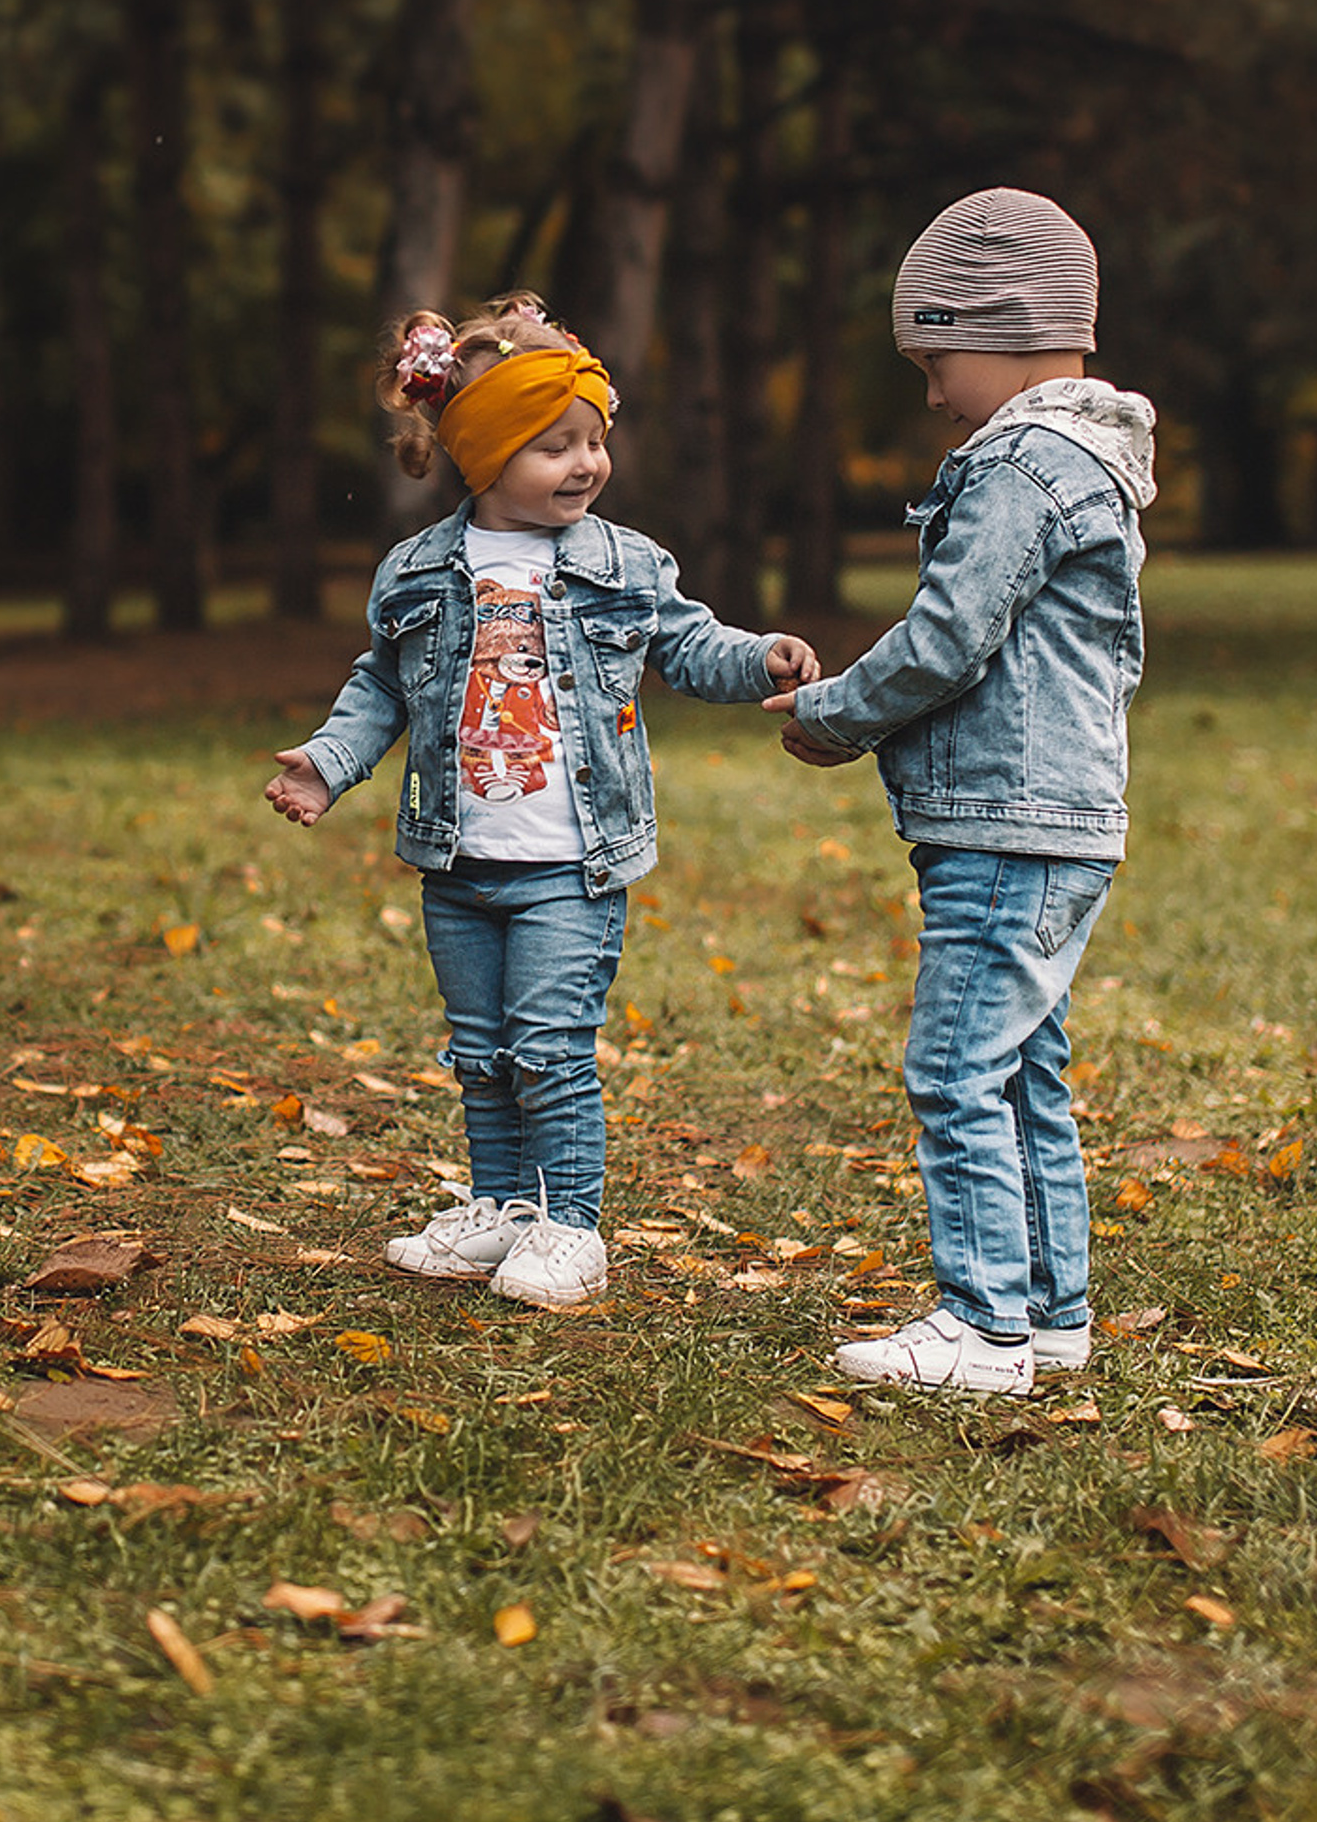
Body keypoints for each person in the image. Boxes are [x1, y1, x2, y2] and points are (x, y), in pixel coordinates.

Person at [265, 299, 819, 1309]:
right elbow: (380, 686)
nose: (585, 463)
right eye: (554, 444)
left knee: (549, 1045)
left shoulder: (622, 563)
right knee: (480, 1051)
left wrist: (758, 659)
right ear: (483, 453)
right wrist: (328, 763)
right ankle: (501, 1209)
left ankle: (570, 1227)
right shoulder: (421, 570)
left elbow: (687, 645)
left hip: (571, 862)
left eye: (596, 441)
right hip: (458, 859)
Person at [767, 189, 1155, 1397]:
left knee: (952, 1067)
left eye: (935, 362)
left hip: (1009, 820)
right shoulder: (1084, 461)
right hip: (1052, 820)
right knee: (1022, 1063)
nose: (932, 394)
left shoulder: (1023, 467)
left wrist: (832, 717)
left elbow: (947, 637)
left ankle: (981, 1325)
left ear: (993, 327)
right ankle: (1050, 1313)